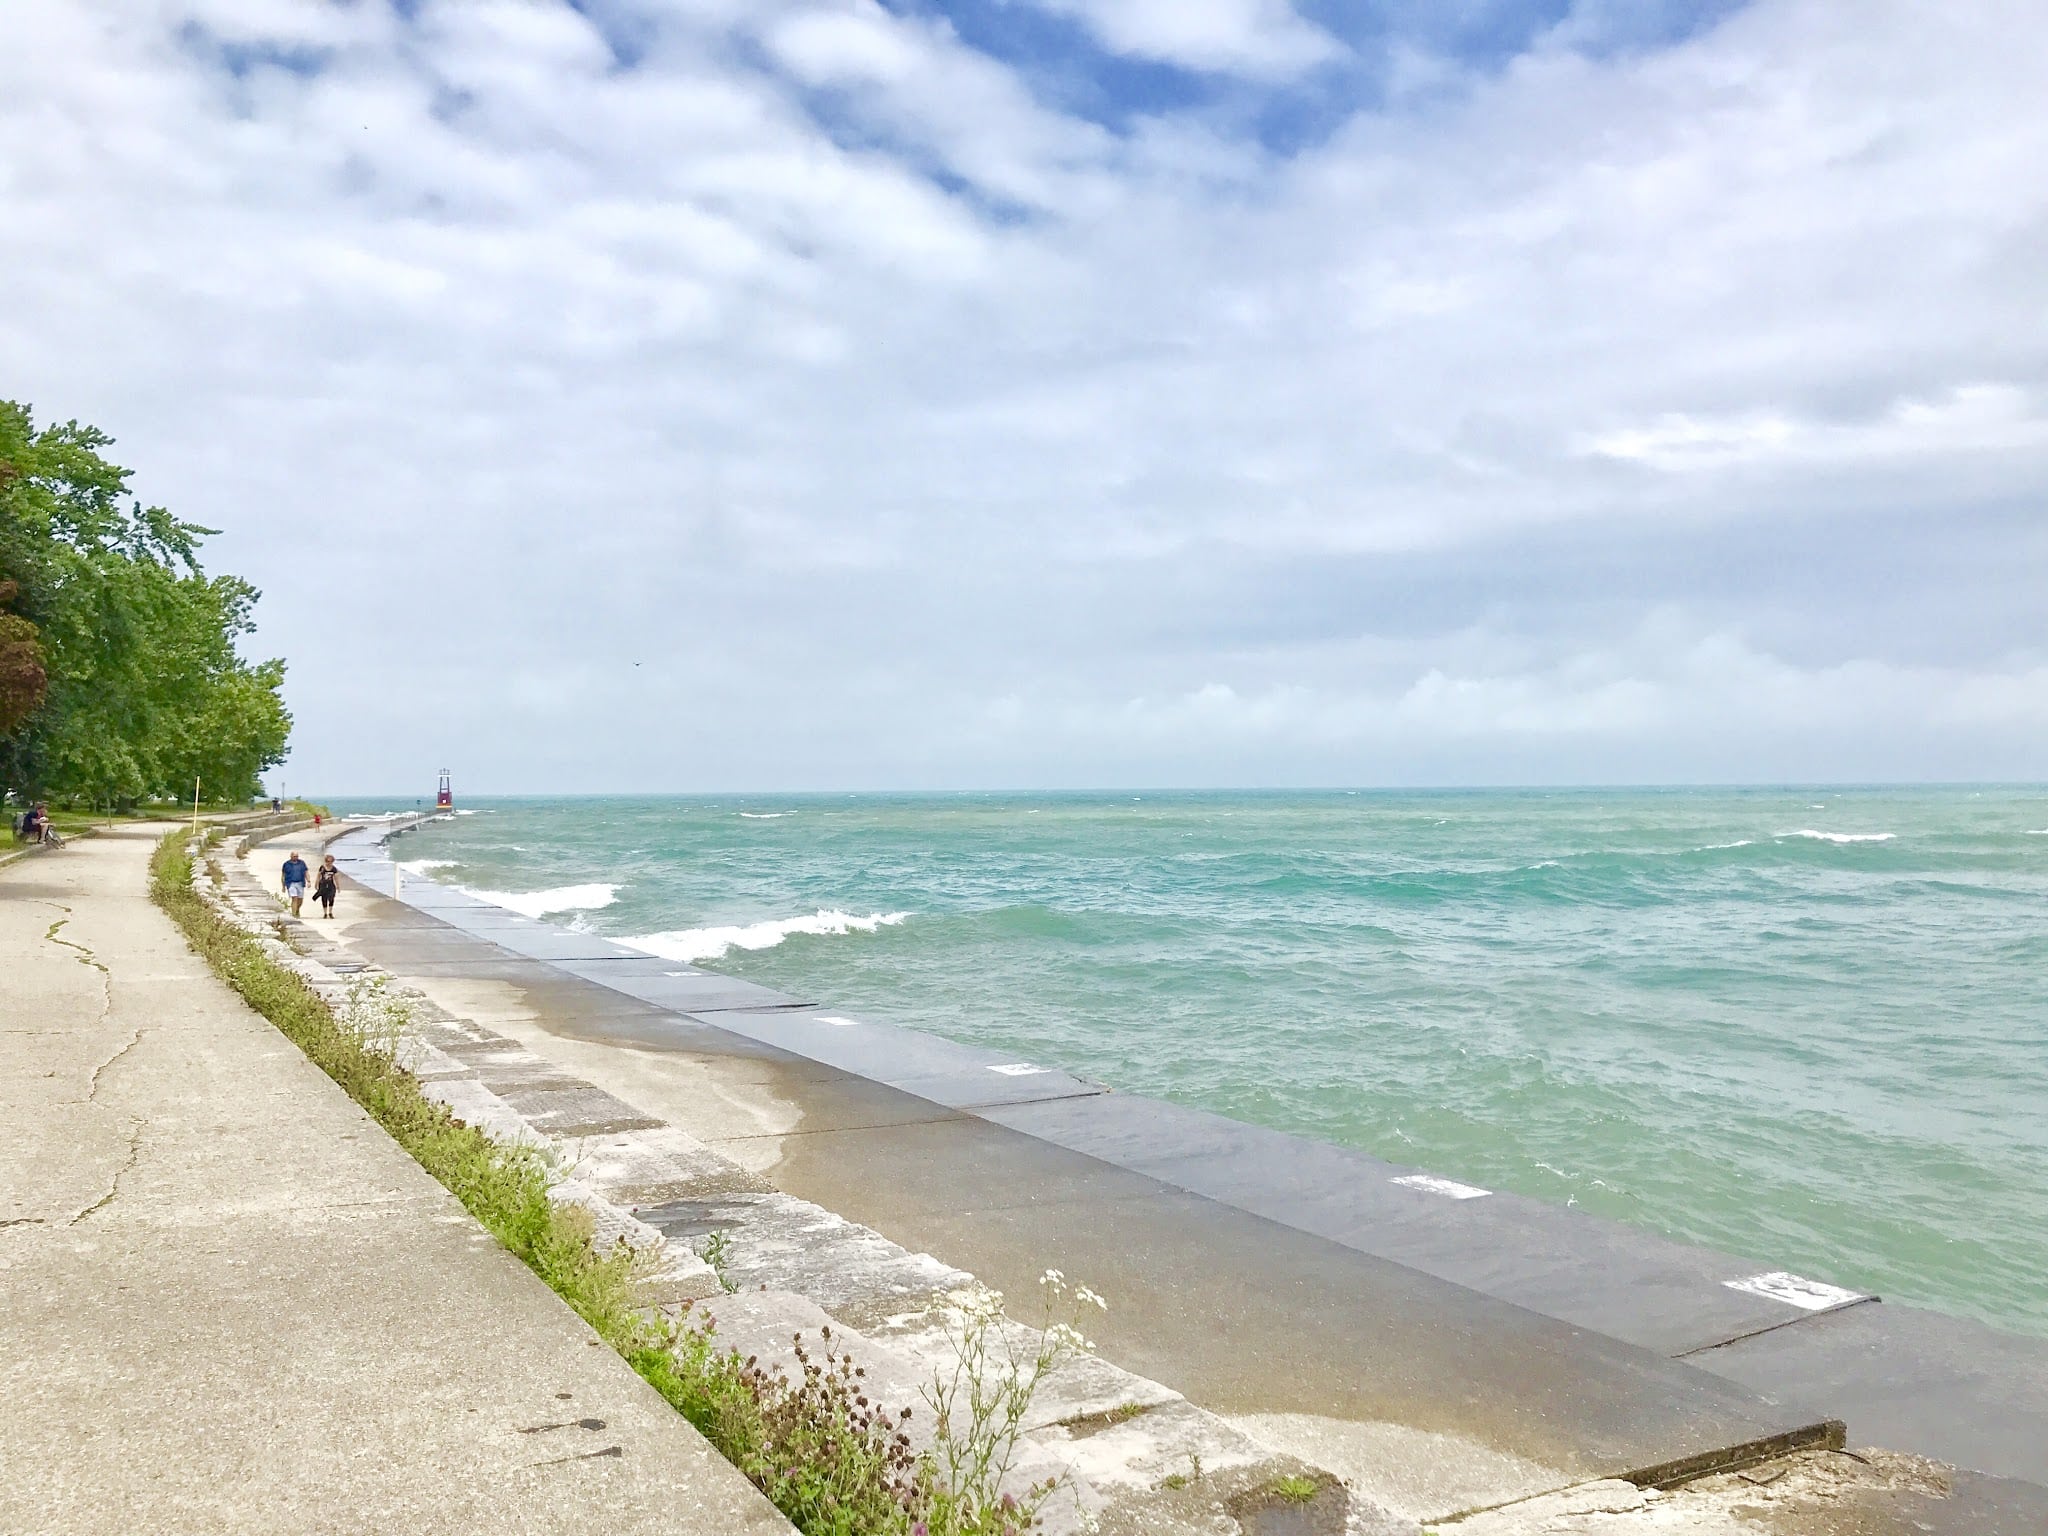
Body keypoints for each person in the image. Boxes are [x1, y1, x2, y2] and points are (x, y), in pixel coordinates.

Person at [281, 849, 309, 917]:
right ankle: (293, 914)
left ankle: (297, 910)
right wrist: (283, 886)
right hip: (290, 883)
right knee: (294, 898)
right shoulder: (286, 864)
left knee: (300, 900)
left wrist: (308, 881)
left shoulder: (302, 863)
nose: (295, 857)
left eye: (296, 856)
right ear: (291, 856)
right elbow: (283, 875)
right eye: (294, 856)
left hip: (300, 883)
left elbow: (306, 872)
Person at [314, 854, 339, 919]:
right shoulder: (322, 867)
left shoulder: (334, 869)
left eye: (331, 861)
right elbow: (318, 876)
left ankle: (330, 912)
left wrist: (338, 886)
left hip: (331, 885)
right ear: (326, 861)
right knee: (324, 899)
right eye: (328, 861)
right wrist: (316, 884)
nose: (329, 863)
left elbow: (336, 878)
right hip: (323, 885)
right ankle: (325, 913)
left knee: (331, 898)